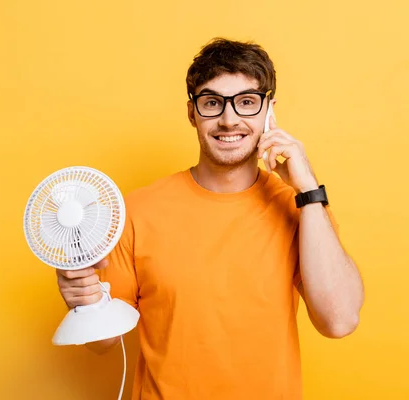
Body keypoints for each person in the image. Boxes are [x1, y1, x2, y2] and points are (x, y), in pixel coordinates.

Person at [55, 38, 364, 399]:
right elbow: (103, 341)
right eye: (212, 102)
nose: (229, 119)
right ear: (192, 113)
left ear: (269, 111)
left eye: (246, 102)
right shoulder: (136, 211)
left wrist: (307, 186)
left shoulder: (301, 208)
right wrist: (81, 300)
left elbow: (339, 321)